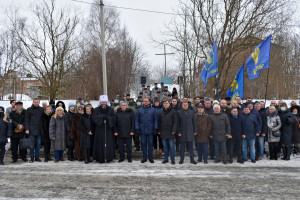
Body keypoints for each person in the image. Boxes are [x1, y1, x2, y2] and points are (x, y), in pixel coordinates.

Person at [92, 95, 115, 163]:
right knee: (99, 143)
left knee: (109, 143)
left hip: (108, 129)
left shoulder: (111, 109)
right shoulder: (96, 109)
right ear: (100, 102)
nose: (103, 103)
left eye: (105, 102)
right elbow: (94, 118)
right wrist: (101, 117)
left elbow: (114, 118)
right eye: (102, 102)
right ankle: (99, 158)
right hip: (99, 129)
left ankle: (109, 157)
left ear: (107, 102)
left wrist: (108, 118)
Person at [135, 97, 158, 163]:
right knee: (143, 144)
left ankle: (150, 157)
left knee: (150, 144)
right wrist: (137, 128)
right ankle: (144, 157)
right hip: (142, 131)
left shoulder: (153, 110)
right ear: (143, 102)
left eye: (147, 101)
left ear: (149, 102)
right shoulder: (139, 110)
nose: (146, 102)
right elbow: (137, 120)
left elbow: (155, 120)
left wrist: (155, 128)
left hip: (151, 130)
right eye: (144, 101)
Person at [158, 99, 178, 165]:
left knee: (172, 147)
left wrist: (174, 130)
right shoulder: (161, 112)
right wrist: (159, 130)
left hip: (171, 132)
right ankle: (166, 159)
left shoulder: (173, 111)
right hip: (163, 132)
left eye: (166, 103)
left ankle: (172, 159)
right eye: (164, 103)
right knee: (165, 147)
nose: (165, 104)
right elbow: (159, 122)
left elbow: (175, 122)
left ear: (169, 104)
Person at [25, 98, 44, 163]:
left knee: (38, 144)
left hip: (39, 130)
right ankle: (32, 157)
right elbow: (26, 120)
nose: (36, 103)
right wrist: (27, 129)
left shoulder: (42, 109)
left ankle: (37, 157)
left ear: (39, 102)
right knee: (31, 145)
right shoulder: (29, 109)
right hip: (31, 129)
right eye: (35, 102)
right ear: (33, 102)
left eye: (37, 102)